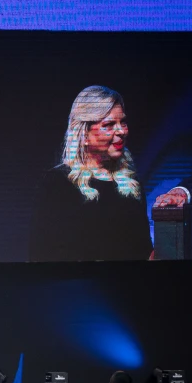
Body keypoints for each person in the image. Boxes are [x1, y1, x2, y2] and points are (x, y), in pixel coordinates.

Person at [28, 85, 152, 262]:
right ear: (84, 134)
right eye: (109, 125)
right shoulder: (58, 183)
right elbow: (41, 255)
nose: (121, 131)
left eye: (123, 122)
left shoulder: (131, 183)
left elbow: (144, 251)